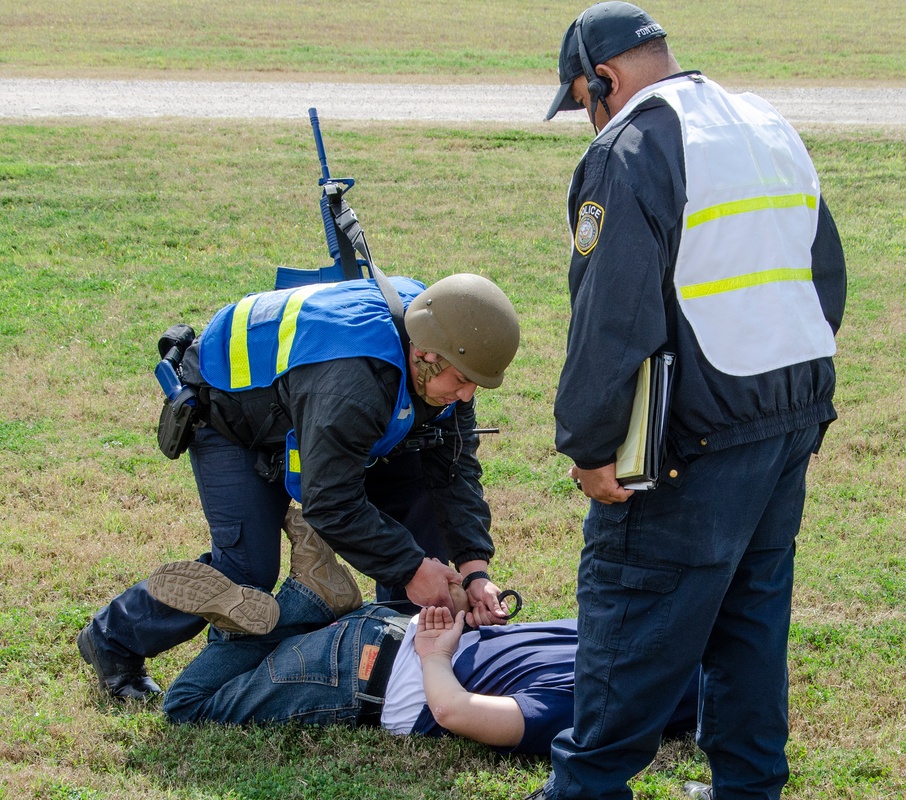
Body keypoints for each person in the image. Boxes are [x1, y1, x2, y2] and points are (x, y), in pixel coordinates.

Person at [534, 4, 847, 800]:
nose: (586, 121)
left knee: (631, 623)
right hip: (789, 413)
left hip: (694, 437)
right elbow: (824, 272)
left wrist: (590, 444)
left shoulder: (631, 144)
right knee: (748, 622)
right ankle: (747, 789)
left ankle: (585, 792)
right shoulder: (763, 122)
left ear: (604, 79)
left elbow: (611, 313)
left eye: (581, 102)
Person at [78, 272, 521, 700]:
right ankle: (113, 639)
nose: (466, 396)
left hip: (315, 412)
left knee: (421, 504)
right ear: (424, 354)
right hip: (233, 417)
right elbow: (331, 502)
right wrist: (410, 569)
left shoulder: (451, 353)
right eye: (461, 383)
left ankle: (405, 643)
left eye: (474, 385)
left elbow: (453, 473)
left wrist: (473, 571)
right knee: (247, 571)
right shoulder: (354, 384)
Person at [144, 512, 699, 753]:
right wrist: (437, 657)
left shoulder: (608, 631)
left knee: (269, 660)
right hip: (367, 677)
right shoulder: (596, 705)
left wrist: (459, 619)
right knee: (189, 706)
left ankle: (311, 599)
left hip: (386, 625)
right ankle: (306, 599)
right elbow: (454, 712)